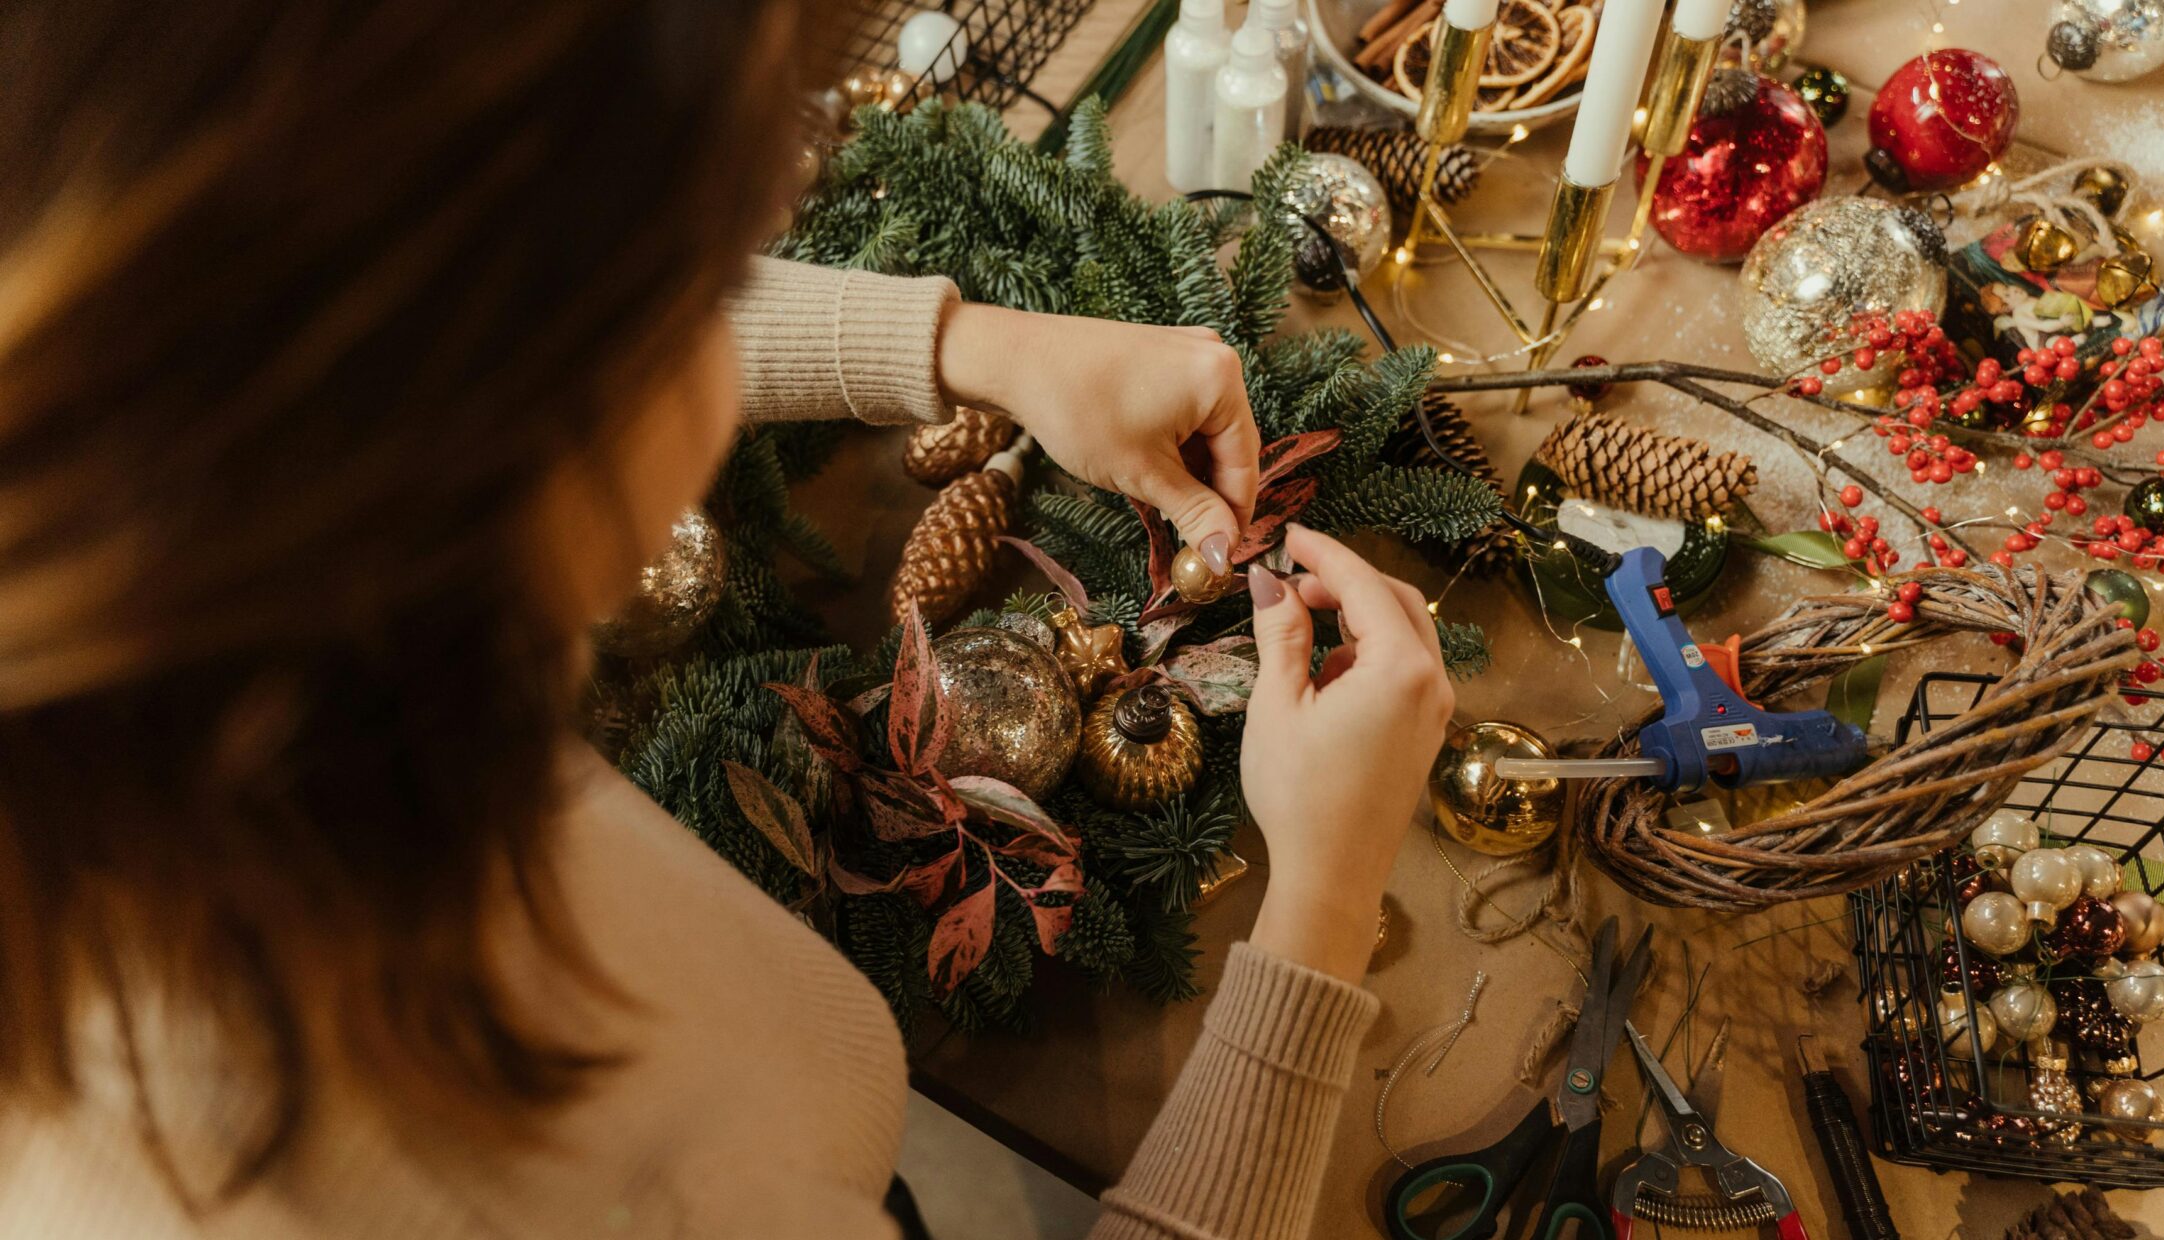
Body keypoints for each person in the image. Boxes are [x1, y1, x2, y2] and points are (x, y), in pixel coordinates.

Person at [0, 2, 1455, 1236]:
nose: (742, 277)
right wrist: (1319, 918)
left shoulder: (202, 645)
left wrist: (975, 344)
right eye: (709, 263)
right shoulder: (478, 1182)